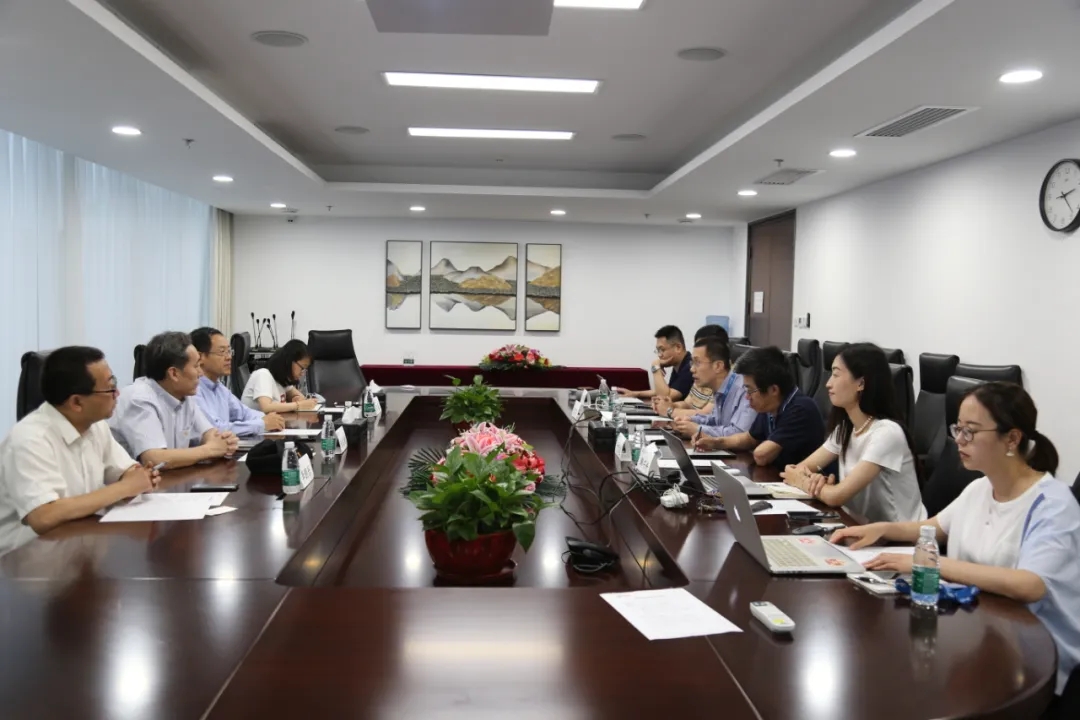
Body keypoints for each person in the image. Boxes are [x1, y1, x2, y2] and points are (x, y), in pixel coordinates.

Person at [831, 382, 1080, 701]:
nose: (959, 440)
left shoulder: (1052, 504)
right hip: (979, 635)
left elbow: (1030, 585)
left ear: (1012, 439)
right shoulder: (980, 488)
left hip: (1036, 664)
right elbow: (935, 527)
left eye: (970, 431)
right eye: (957, 429)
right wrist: (881, 529)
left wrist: (934, 565)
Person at [0, 347, 159, 555]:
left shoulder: (95, 425)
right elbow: (44, 516)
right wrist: (125, 488)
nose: (117, 394)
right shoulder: (29, 439)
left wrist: (138, 478)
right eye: (110, 389)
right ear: (76, 402)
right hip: (25, 560)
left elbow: (125, 471)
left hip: (79, 545)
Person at [779, 343, 925, 523]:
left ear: (861, 383)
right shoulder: (845, 428)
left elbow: (836, 497)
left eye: (836, 375)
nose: (828, 383)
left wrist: (806, 483)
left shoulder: (887, 434)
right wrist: (816, 482)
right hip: (858, 527)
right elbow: (797, 469)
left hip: (899, 536)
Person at [109, 331, 238, 468]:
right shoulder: (139, 399)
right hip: (129, 481)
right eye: (196, 366)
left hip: (169, 478)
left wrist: (223, 442)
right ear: (174, 373)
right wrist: (210, 450)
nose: (201, 373)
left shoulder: (184, 396)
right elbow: (154, 459)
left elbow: (209, 434)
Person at [694, 346, 824, 467]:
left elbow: (762, 456)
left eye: (750, 390)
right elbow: (749, 438)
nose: (747, 397)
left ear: (773, 390)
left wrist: (758, 446)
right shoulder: (769, 405)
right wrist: (715, 442)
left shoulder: (800, 409)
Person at [191, 327, 285, 436]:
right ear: (200, 357)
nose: (229, 357)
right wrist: (262, 424)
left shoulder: (219, 388)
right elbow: (214, 429)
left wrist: (269, 419)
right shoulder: (193, 391)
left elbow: (244, 413)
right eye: (222, 352)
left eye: (229, 351)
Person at [658, 337, 756, 439]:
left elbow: (738, 434)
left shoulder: (745, 389)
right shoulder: (721, 388)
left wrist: (698, 429)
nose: (692, 369)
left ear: (718, 366)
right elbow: (714, 420)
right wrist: (689, 421)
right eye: (692, 363)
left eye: (697, 363)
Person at [653, 324, 729, 418]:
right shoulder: (702, 376)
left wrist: (670, 411)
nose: (692, 369)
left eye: (698, 362)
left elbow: (706, 415)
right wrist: (670, 405)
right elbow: (687, 403)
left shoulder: (727, 381)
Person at [240, 339, 319, 413]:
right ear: (289, 361)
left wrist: (296, 398)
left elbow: (297, 395)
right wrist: (298, 405)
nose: (303, 373)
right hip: (254, 423)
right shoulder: (263, 375)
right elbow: (266, 407)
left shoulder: (282, 379)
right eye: (302, 368)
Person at [619, 326, 693, 401]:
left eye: (662, 350)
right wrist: (635, 394)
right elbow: (666, 390)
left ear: (678, 347)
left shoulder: (690, 367)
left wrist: (655, 367)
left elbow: (665, 398)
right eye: (658, 351)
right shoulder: (679, 364)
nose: (659, 355)